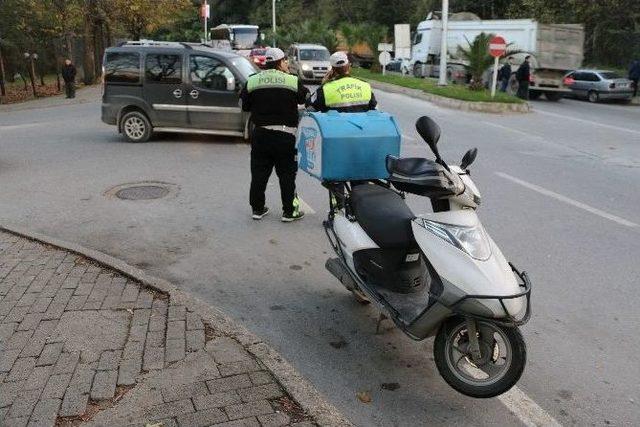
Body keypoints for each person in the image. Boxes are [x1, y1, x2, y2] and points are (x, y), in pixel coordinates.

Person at [240, 47, 309, 222]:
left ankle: (257, 209)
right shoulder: (292, 81)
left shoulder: (253, 81)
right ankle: (289, 211)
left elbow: (244, 106)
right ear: (279, 62)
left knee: (258, 173)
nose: (287, 63)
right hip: (285, 136)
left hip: (261, 134)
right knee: (287, 175)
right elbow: (305, 99)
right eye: (285, 61)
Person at [309, 51, 377, 112]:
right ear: (348, 66)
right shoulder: (365, 85)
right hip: (360, 125)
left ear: (333, 69)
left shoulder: (325, 89)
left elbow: (309, 104)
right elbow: (373, 108)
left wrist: (324, 83)